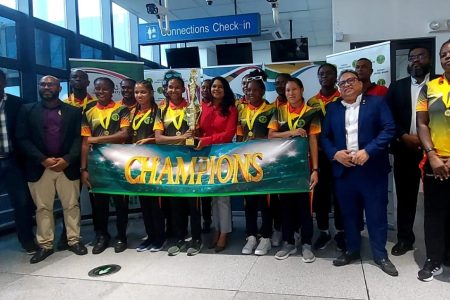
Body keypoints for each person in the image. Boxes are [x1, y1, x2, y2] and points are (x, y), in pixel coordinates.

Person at [320, 70, 398, 276]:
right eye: (342, 83)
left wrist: (368, 151)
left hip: (372, 171)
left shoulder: (377, 103)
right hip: (344, 172)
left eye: (350, 80)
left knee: (376, 215)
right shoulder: (332, 108)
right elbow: (325, 138)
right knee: (349, 215)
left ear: (360, 83)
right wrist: (335, 154)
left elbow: (389, 129)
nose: (346, 85)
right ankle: (352, 249)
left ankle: (380, 254)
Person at [16, 75, 87, 263]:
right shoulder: (27, 110)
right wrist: (43, 159)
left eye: (51, 84)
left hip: (67, 166)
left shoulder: (73, 112)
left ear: (59, 88)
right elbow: (22, 139)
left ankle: (73, 240)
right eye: (43, 84)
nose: (46, 87)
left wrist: (68, 159)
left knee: (71, 205)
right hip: (40, 167)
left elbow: (78, 139)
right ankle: (45, 245)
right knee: (42, 208)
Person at [386, 46, 433, 256]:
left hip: (436, 150)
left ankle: (439, 242)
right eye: (412, 57)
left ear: (429, 59)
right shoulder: (396, 87)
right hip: (405, 148)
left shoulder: (440, 84)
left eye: (420, 56)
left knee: (436, 198)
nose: (416, 61)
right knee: (406, 197)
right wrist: (403, 135)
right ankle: (405, 238)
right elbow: (389, 117)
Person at [268, 77, 320, 263]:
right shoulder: (279, 112)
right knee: (286, 206)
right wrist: (291, 133)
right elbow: (271, 135)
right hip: (284, 168)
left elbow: (313, 141)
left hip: (304, 167)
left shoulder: (311, 112)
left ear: (302, 90)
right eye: (288, 90)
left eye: (294, 89)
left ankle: (306, 243)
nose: (291, 93)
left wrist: (315, 169)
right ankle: (288, 242)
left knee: (305, 208)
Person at [80, 77, 130, 254]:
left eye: (105, 89)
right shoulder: (88, 110)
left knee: (120, 203)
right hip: (96, 165)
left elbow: (123, 135)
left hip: (119, 164)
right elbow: (85, 143)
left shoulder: (122, 109)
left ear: (112, 90)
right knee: (99, 205)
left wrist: (96, 139)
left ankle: (121, 236)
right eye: (98, 89)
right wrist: (83, 169)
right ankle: (102, 236)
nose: (101, 92)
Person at [154, 76, 203, 256]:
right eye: (170, 87)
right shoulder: (162, 109)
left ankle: (197, 239)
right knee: (175, 203)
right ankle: (180, 237)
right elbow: (159, 138)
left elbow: (197, 134)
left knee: (193, 202)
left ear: (184, 89)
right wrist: (181, 137)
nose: (173, 90)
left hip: (191, 161)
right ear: (166, 89)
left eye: (177, 88)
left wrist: (192, 134)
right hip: (171, 163)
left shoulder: (193, 108)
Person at [416, 39, 450, 282]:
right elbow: (421, 123)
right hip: (435, 161)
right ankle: (434, 259)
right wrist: (432, 154)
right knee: (434, 213)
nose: (447, 56)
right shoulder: (428, 88)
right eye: (443, 54)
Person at [236, 70, 275, 256]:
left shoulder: (271, 109)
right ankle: (251, 235)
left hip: (265, 162)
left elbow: (272, 136)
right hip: (246, 163)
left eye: (254, 90)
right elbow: (239, 135)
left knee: (265, 201)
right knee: (249, 201)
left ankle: (266, 236)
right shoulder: (242, 111)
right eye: (248, 90)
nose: (250, 93)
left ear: (262, 91)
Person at [197, 76, 238, 253]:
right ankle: (216, 228)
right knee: (211, 195)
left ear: (225, 89)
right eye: (214, 86)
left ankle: (224, 233)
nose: (216, 89)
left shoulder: (231, 108)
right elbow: (199, 128)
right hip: (202, 156)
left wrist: (206, 140)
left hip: (223, 155)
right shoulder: (203, 106)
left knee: (223, 198)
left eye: (220, 86)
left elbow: (228, 134)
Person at [307, 63, 345, 251]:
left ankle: (340, 231)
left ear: (335, 76)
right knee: (321, 195)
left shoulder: (343, 98)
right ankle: (323, 231)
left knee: (340, 195)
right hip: (320, 156)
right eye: (321, 74)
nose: (324, 76)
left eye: (328, 73)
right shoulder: (312, 102)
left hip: (340, 155)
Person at [0, 69, 37, 254]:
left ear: (4, 82)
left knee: (21, 202)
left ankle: (27, 241)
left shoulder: (18, 104)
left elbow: (25, 134)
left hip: (13, 160)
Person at [60, 69, 97, 250]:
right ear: (70, 81)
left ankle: (100, 234)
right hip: (71, 158)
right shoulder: (63, 104)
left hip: (95, 157)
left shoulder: (97, 104)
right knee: (71, 200)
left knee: (96, 197)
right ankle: (67, 236)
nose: (78, 80)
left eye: (82, 78)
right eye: (75, 77)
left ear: (88, 82)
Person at [130, 79, 166, 252]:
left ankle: (160, 237)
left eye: (143, 92)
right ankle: (149, 236)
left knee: (155, 203)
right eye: (137, 92)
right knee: (144, 202)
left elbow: (162, 136)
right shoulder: (131, 112)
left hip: (155, 162)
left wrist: (150, 140)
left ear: (151, 93)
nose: (139, 95)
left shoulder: (158, 111)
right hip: (137, 163)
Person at [270, 72, 292, 247]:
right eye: (277, 83)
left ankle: (295, 230)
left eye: (283, 83)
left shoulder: (302, 106)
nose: (280, 86)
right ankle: (278, 229)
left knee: (293, 198)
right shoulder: (271, 108)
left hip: (294, 160)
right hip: (274, 160)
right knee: (276, 199)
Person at [200, 78, 212, 233]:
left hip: (217, 152)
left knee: (218, 188)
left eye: (208, 87)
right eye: (203, 87)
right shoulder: (195, 106)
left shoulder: (218, 106)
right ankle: (206, 220)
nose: (205, 90)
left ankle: (223, 223)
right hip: (200, 154)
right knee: (203, 188)